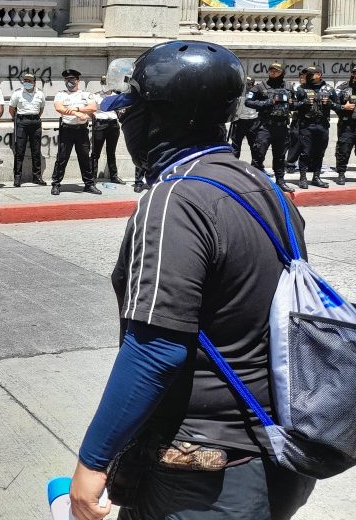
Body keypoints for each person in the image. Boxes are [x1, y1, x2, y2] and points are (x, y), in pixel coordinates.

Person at [70, 41, 316, 520]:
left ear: (160, 117)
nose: (126, 127)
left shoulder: (174, 199)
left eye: (132, 113)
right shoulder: (266, 187)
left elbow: (156, 348)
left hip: (202, 471)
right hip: (275, 450)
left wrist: (92, 461)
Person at [51, 69, 100, 196]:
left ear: (78, 80)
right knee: (62, 158)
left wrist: (77, 108)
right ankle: (56, 184)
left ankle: (89, 184)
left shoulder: (86, 94)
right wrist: (77, 113)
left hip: (81, 131)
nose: (69, 82)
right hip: (66, 129)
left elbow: (93, 107)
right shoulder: (61, 94)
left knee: (84, 158)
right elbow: (59, 108)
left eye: (72, 79)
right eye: (67, 80)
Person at [246, 62, 295, 192]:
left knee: (280, 157)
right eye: (271, 70)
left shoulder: (289, 87)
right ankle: (255, 183)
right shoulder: (261, 87)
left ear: (282, 73)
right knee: (258, 155)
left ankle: (280, 181)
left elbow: (297, 104)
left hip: (282, 128)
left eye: (277, 71)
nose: (273, 73)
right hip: (265, 127)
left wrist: (292, 103)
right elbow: (248, 101)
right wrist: (267, 103)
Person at [292, 66, 333, 189]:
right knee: (305, 152)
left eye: (311, 74)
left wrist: (329, 103)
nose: (308, 76)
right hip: (307, 125)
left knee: (319, 153)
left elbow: (338, 106)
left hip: (322, 125)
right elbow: (292, 105)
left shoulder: (329, 89)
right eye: (307, 74)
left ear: (319, 74)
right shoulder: (301, 89)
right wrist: (303, 103)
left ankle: (316, 177)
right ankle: (303, 178)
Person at [8, 72, 46, 187]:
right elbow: (11, 109)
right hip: (22, 122)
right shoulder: (17, 93)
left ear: (34, 82)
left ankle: (37, 177)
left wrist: (34, 117)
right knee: (20, 151)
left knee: (36, 150)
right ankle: (17, 178)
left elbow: (41, 109)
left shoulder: (40, 94)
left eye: (30, 81)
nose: (27, 83)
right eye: (25, 80)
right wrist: (18, 119)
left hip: (35, 122)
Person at [90, 76, 125, 185]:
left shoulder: (116, 96)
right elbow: (91, 110)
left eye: (107, 82)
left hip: (113, 125)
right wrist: (95, 120)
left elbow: (120, 110)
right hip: (100, 124)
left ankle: (113, 176)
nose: (105, 84)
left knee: (111, 152)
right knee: (96, 153)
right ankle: (92, 177)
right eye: (103, 82)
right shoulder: (96, 96)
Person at [331, 63, 356, 185]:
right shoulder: (343, 87)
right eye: (355, 72)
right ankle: (341, 174)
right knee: (343, 149)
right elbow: (334, 105)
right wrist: (343, 107)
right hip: (347, 125)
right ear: (352, 73)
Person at [228, 77, 261, 165]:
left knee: (255, 146)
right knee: (236, 146)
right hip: (239, 121)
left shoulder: (256, 92)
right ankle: (234, 166)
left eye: (249, 84)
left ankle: (256, 166)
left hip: (253, 121)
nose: (247, 86)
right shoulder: (237, 92)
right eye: (245, 83)